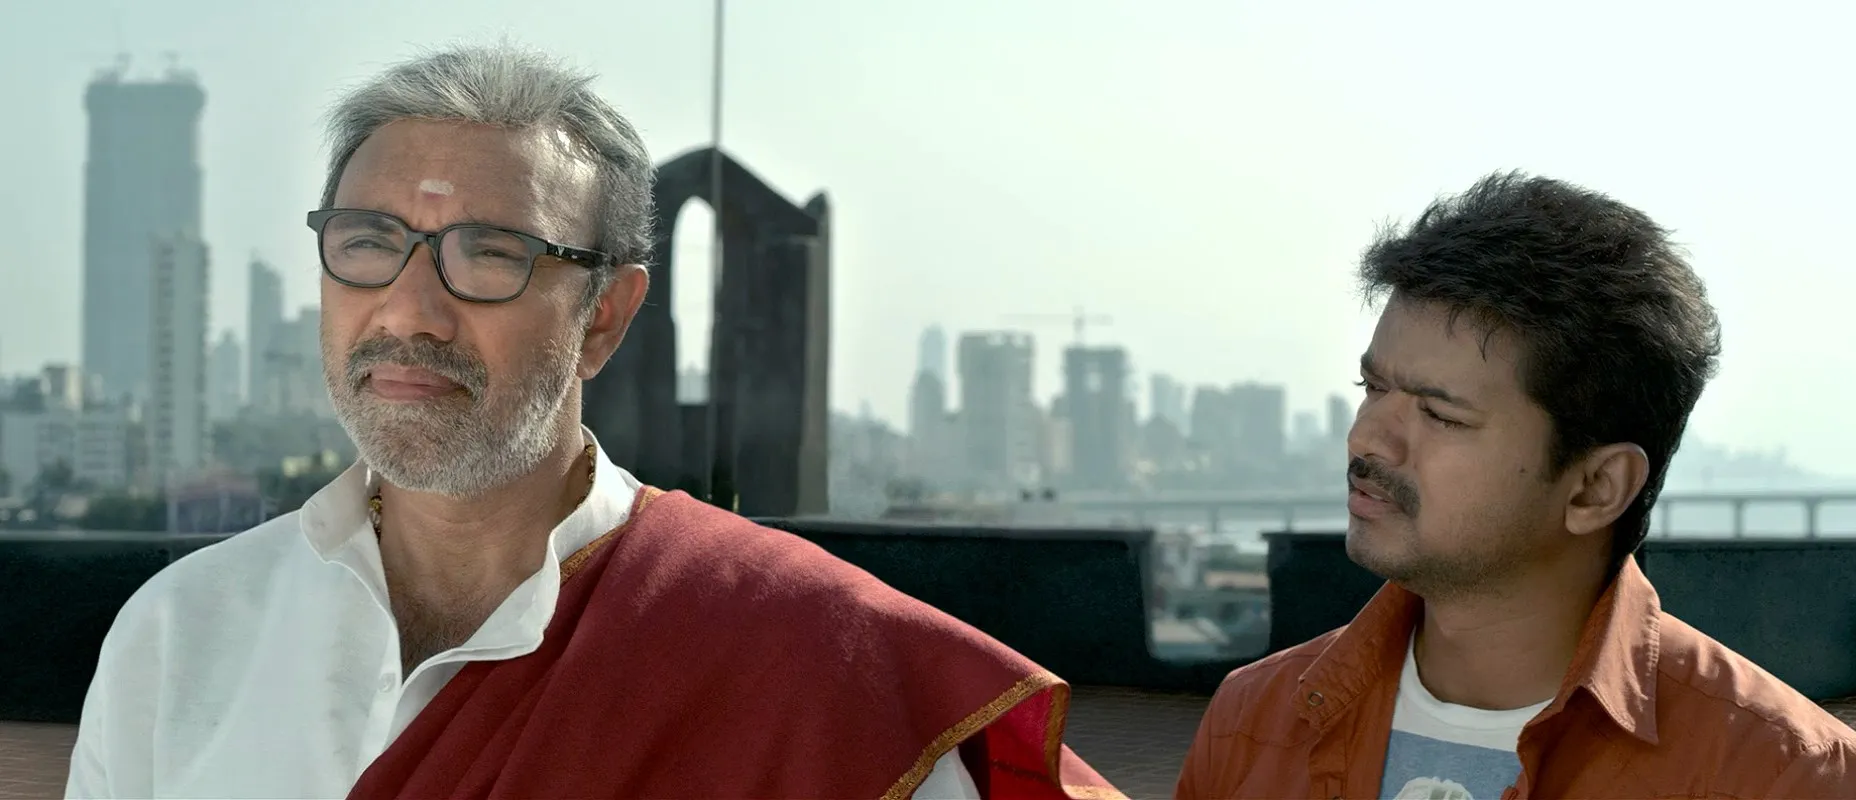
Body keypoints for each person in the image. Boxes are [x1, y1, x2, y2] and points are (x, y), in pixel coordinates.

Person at [66, 43, 1117, 800]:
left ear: (603, 317)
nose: (408, 310)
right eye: (369, 242)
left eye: (490, 255)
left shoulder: (805, 657)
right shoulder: (182, 634)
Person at [1175, 173, 1856, 799]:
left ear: (1595, 488)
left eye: (1438, 414)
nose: (1367, 439)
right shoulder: (1253, 720)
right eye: (1372, 388)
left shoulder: (1786, 775)